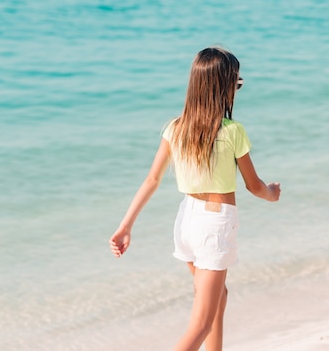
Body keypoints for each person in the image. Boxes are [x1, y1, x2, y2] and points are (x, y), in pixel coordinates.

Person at [109, 47, 281, 351]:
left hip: (186, 221)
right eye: (236, 84)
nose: (237, 90)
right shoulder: (232, 131)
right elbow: (254, 186)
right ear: (224, 87)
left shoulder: (175, 128)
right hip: (215, 224)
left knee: (217, 298)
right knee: (200, 324)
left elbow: (152, 180)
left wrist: (125, 227)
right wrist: (272, 193)